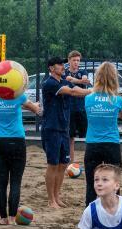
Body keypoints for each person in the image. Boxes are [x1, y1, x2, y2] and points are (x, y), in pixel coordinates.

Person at [83, 62, 122, 206]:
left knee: (91, 185)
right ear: (114, 78)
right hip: (111, 145)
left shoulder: (88, 99)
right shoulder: (117, 100)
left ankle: (90, 219)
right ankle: (113, 216)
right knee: (113, 184)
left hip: (92, 145)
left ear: (97, 78)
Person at [41, 56, 92, 208]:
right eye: (59, 64)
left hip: (64, 128)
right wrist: (93, 90)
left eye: (63, 64)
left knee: (63, 164)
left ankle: (57, 197)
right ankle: (51, 200)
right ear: (51, 68)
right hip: (52, 129)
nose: (63, 66)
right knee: (53, 164)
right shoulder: (49, 83)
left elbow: (75, 88)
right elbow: (72, 91)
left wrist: (86, 88)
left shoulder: (62, 80)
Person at [0, 90, 41, 224]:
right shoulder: (18, 96)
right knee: (15, 181)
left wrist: (27, 104)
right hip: (16, 141)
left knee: (2, 181)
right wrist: (34, 105)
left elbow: (16, 104)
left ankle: (3, 218)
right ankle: (13, 217)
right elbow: (36, 110)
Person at [64, 50, 91, 163]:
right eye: (74, 60)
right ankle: (71, 162)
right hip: (69, 108)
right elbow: (67, 82)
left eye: (78, 60)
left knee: (87, 136)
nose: (76, 62)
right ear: (69, 60)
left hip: (81, 108)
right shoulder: (64, 73)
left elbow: (86, 81)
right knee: (70, 138)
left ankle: (89, 160)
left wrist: (75, 80)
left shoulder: (82, 71)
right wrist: (79, 81)